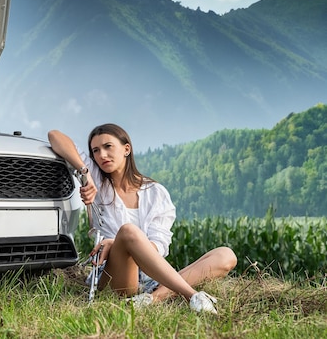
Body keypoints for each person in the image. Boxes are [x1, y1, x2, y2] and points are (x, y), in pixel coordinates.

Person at [48, 124, 237, 314]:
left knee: (225, 255)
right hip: (115, 275)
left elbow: (159, 246)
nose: (102, 155)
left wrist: (119, 242)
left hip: (151, 279)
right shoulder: (97, 179)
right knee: (128, 230)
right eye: (96, 150)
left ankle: (153, 298)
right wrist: (85, 174)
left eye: (108, 147)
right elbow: (55, 136)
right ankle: (193, 296)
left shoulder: (156, 193)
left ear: (126, 149)